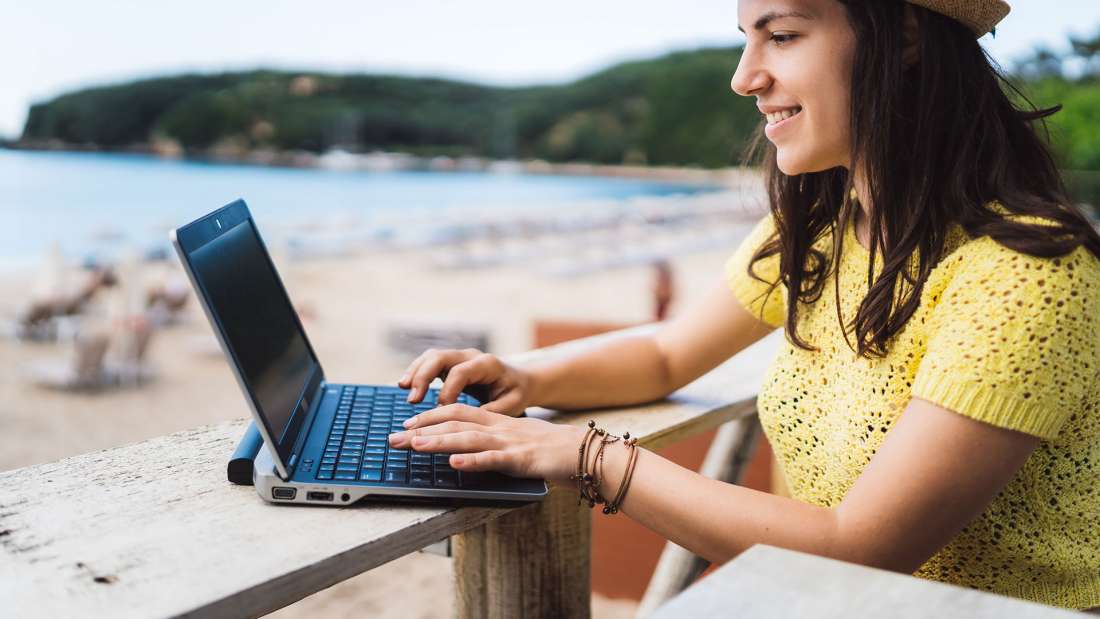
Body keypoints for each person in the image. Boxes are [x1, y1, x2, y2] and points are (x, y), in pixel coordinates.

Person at [388, 0, 1100, 611]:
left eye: (782, 35)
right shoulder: (820, 228)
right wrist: (522, 375)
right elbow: (669, 351)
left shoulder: (1027, 274)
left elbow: (859, 546)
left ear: (906, 38)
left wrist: (589, 456)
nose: (744, 77)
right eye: (745, 38)